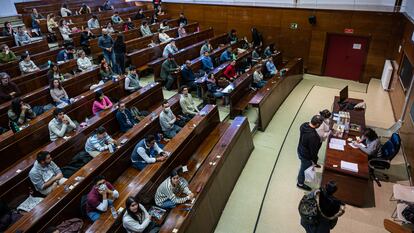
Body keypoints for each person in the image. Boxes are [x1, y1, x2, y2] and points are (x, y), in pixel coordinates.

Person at [297, 115, 324, 191]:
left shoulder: (304, 125)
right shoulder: (313, 136)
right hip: (305, 155)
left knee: (303, 166)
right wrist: (314, 161)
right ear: (318, 125)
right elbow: (313, 152)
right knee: (303, 169)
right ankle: (300, 183)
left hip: (300, 149)